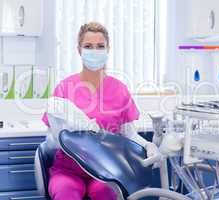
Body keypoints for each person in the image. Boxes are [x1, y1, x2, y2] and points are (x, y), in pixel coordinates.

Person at [41, 22, 159, 200]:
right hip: (68, 170)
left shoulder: (119, 89)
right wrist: (64, 138)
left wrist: (149, 146)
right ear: (79, 50)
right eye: (88, 46)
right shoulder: (64, 88)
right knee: (66, 191)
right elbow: (51, 139)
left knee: (104, 192)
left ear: (107, 49)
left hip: (107, 170)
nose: (94, 51)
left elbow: (128, 135)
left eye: (100, 46)